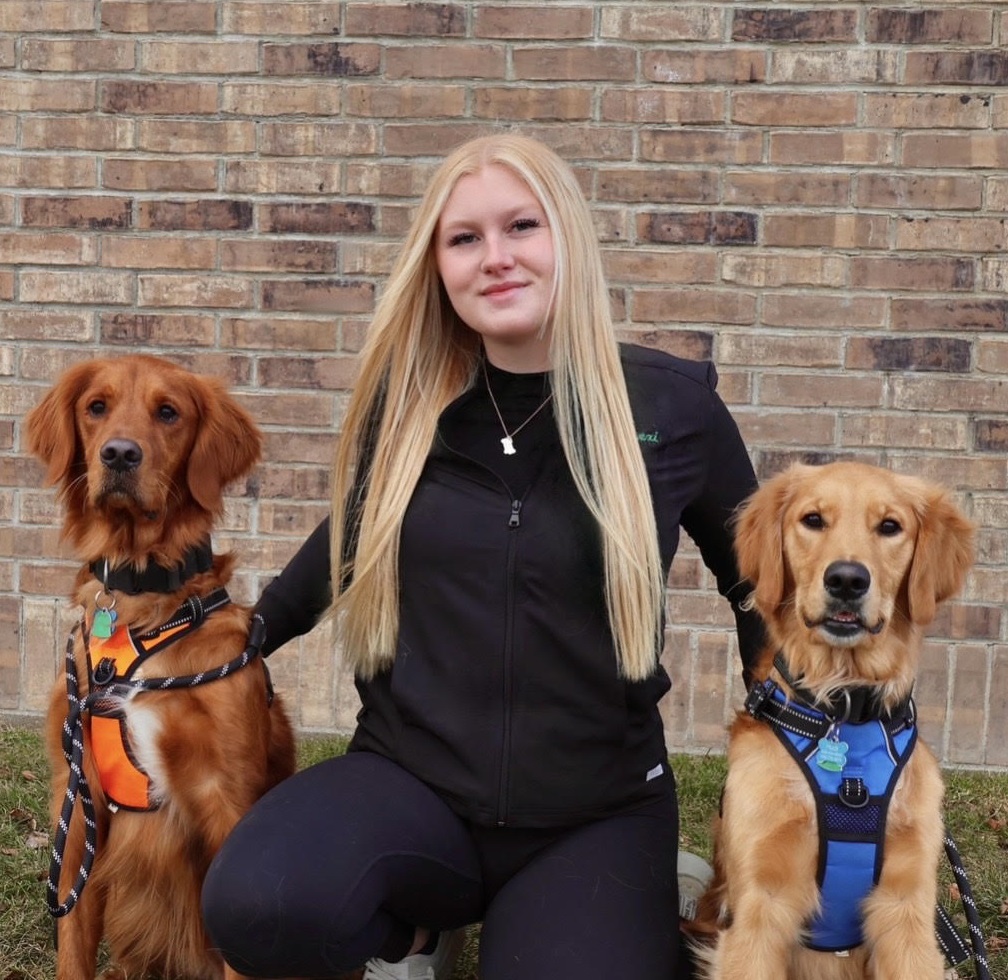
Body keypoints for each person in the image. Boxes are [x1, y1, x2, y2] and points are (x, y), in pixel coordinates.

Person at [201, 132, 763, 980]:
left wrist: (796, 732)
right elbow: (348, 542)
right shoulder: (413, 404)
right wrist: (243, 635)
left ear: (565, 235)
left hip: (594, 814)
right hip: (409, 787)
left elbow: (757, 581)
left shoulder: (671, 407)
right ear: (438, 266)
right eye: (465, 239)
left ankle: (631, 898)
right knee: (260, 901)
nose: (495, 258)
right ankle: (414, 937)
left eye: (521, 227)